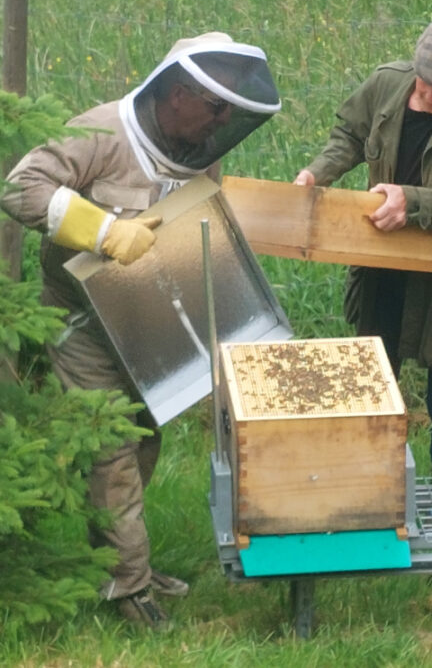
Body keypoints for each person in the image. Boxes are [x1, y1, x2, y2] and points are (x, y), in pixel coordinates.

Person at [1, 32, 281, 628]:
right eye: (215, 107)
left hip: (145, 321)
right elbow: (19, 186)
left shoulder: (199, 146)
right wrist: (103, 232)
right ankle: (127, 587)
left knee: (144, 438)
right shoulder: (100, 132)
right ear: (178, 95)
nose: (222, 122)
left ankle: (118, 562)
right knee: (112, 452)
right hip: (79, 321)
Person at [294, 18, 432, 476]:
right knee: (370, 388)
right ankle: (366, 485)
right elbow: (349, 136)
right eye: (425, 83)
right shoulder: (387, 85)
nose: (430, 96)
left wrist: (411, 202)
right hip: (381, 268)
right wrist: (318, 173)